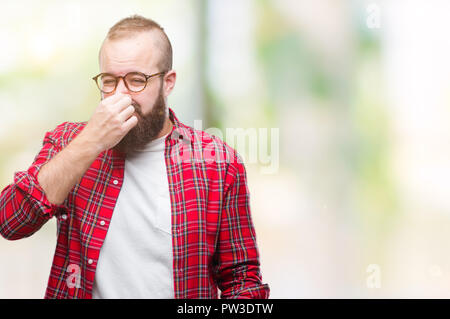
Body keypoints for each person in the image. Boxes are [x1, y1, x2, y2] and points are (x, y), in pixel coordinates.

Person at [0, 15, 269, 299]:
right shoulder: (68, 142)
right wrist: (90, 141)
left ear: (169, 82)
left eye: (136, 81)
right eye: (109, 81)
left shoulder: (218, 162)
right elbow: (11, 221)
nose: (120, 95)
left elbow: (242, 282)